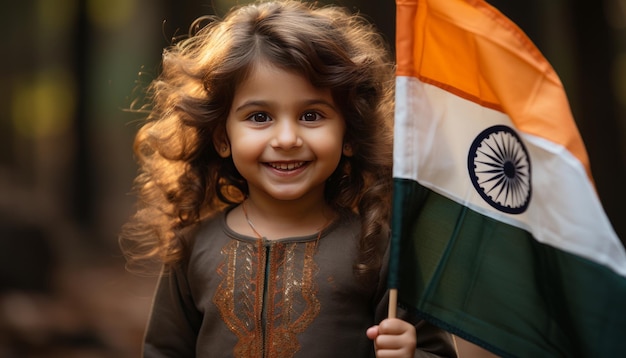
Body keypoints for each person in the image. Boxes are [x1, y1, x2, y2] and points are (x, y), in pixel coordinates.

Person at [120, 1, 458, 357]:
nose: (286, 139)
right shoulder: (192, 249)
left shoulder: (377, 248)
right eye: (260, 116)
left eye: (311, 115)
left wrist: (409, 352)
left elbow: (435, 351)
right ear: (223, 137)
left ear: (349, 136)